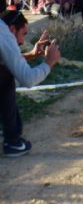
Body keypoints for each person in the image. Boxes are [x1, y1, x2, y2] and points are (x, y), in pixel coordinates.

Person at [0, 10, 60, 156]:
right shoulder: (3, 32)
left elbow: (5, 60)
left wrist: (31, 55)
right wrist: (48, 63)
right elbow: (28, 79)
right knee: (6, 77)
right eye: (23, 34)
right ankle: (13, 142)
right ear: (12, 29)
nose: (21, 41)